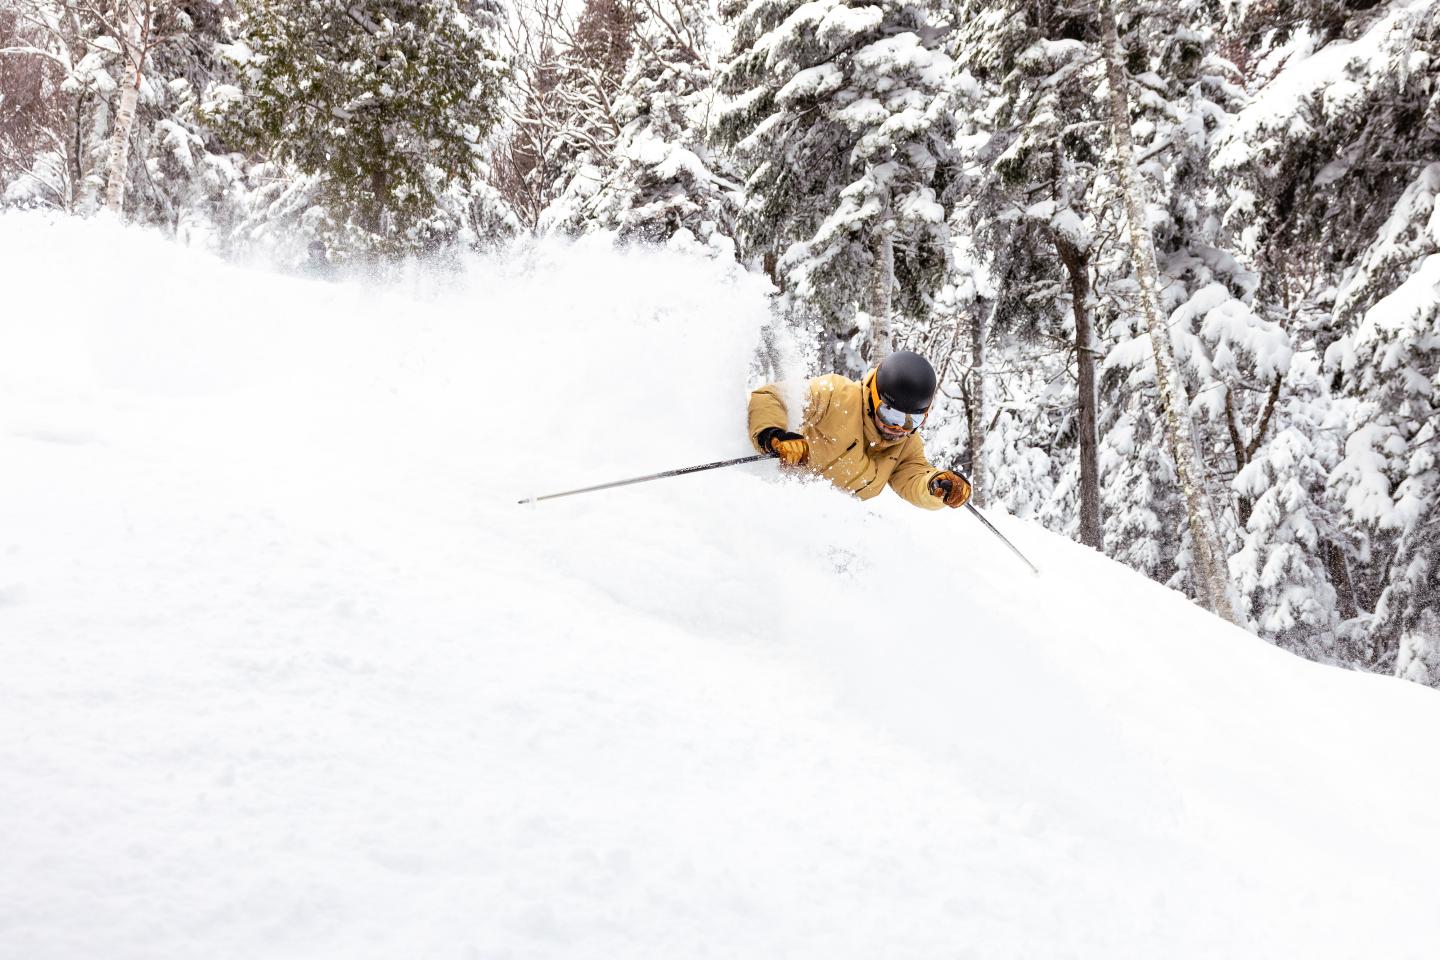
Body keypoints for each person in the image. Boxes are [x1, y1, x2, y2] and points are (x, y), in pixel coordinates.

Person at [747, 350, 972, 510]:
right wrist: (774, 436)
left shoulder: (906, 446)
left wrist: (937, 486)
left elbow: (916, 478)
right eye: (890, 414)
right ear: (874, 396)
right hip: (772, 498)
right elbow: (771, 396)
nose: (898, 429)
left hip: (823, 523)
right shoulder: (837, 395)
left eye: (911, 421)